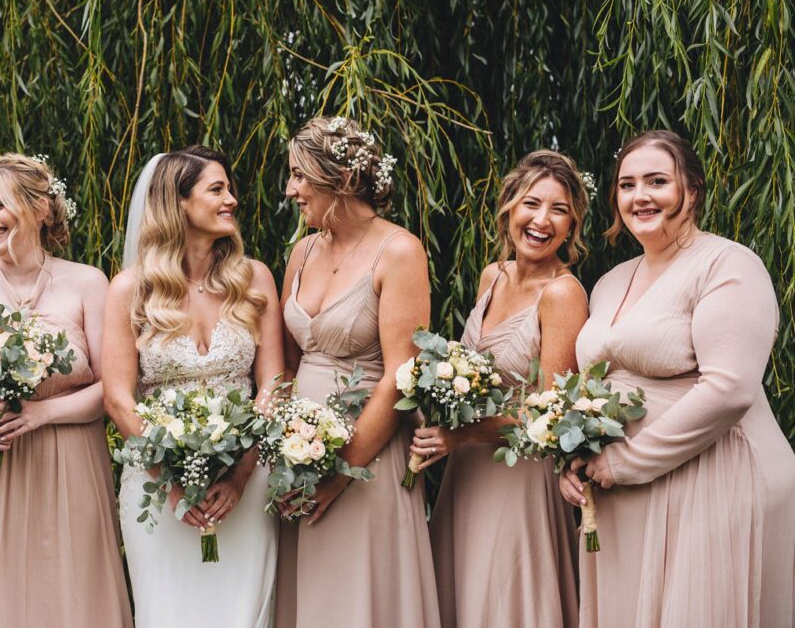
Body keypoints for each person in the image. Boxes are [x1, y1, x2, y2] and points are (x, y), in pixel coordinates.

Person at [559, 130, 795, 627]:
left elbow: (729, 390)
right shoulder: (610, 281)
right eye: (627, 185)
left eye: (657, 181)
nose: (639, 196)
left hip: (711, 479)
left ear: (691, 190)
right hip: (623, 494)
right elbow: (592, 385)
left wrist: (624, 462)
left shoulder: (728, 265)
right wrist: (573, 455)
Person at [0, 153, 131, 628]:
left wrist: (45, 413)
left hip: (69, 458)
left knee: (72, 587)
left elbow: (114, 387)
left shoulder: (88, 282)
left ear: (40, 209)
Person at [103, 146, 283, 628]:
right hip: (158, 489)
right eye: (217, 189)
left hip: (245, 483)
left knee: (243, 613)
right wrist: (170, 479)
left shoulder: (254, 279)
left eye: (230, 188)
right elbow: (118, 398)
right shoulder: (130, 289)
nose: (232, 200)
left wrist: (242, 474)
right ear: (179, 202)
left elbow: (272, 382)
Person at [274, 116, 440, 628]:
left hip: (367, 458)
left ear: (340, 179)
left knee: (359, 595)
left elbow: (401, 374)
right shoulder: (302, 251)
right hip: (298, 458)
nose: (290, 190)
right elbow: (287, 363)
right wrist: (282, 451)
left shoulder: (399, 251)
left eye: (300, 176)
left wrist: (339, 474)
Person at [412, 150, 588, 627]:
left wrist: (462, 435)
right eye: (532, 203)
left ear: (572, 224)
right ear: (509, 206)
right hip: (466, 469)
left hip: (519, 474)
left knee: (504, 599)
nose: (541, 220)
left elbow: (551, 416)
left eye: (559, 210)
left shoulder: (563, 295)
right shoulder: (494, 276)